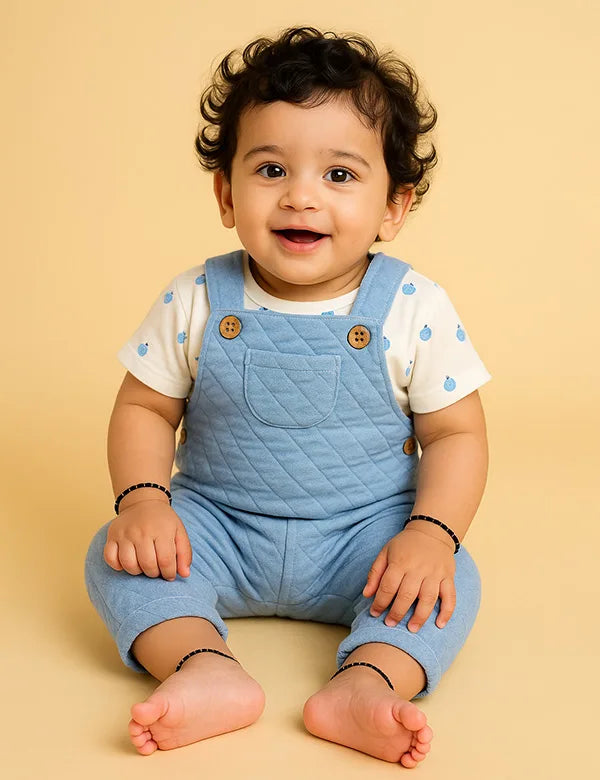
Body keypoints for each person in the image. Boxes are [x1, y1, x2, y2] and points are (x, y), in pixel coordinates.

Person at [85, 26, 491, 767]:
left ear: (393, 207)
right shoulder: (196, 297)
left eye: (339, 175)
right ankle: (202, 664)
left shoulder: (413, 307)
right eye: (271, 169)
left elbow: (457, 434)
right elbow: (144, 407)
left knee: (452, 578)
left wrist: (430, 534)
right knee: (114, 555)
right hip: (216, 530)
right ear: (226, 193)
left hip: (363, 540)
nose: (301, 195)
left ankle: (367, 682)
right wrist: (143, 501)